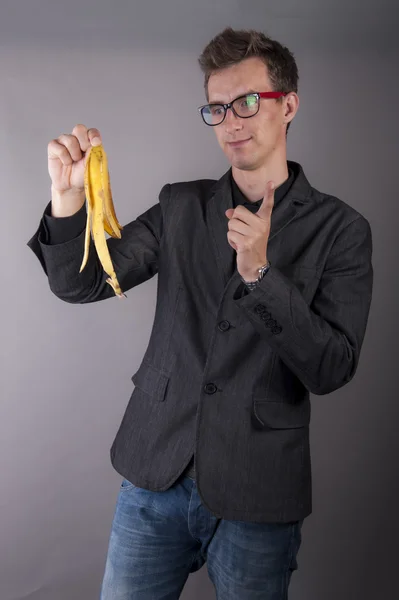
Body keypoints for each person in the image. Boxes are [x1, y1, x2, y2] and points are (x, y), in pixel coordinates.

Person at [27, 26, 373, 600]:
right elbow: (83, 283)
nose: (231, 121)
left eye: (246, 102)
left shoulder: (341, 231)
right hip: (153, 472)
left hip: (258, 490)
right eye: (217, 108)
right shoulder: (180, 206)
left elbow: (332, 368)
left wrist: (262, 274)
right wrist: (68, 203)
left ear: (287, 105)